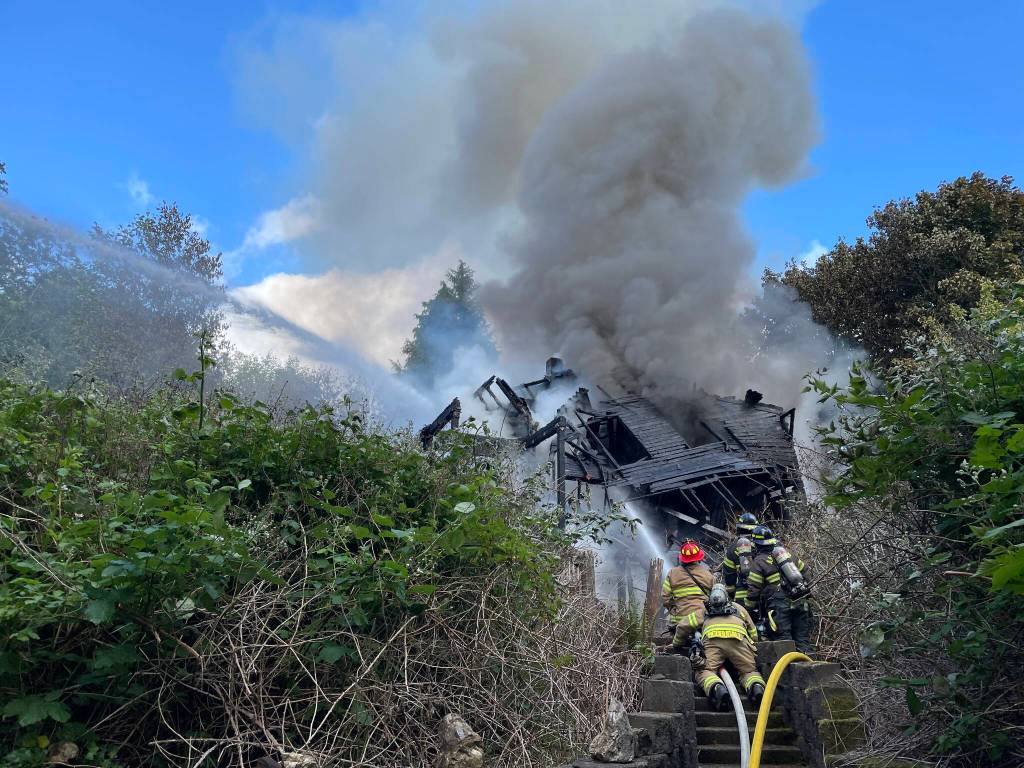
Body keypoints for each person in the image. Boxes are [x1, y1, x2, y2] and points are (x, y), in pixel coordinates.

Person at [677, 584, 766, 710]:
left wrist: (677, 644)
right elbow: (753, 632)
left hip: (713, 643)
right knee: (749, 671)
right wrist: (752, 643)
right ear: (726, 596)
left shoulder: (704, 610)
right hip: (739, 640)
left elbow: (682, 626)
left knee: (704, 671)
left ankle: (717, 687)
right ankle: (756, 688)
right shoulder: (739, 608)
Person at [745, 525, 814, 654]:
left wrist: (748, 608)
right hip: (801, 600)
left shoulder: (759, 562)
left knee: (784, 642)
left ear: (756, 544)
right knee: (803, 641)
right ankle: (812, 667)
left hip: (780, 607)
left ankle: (788, 671)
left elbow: (753, 590)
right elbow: (806, 574)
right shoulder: (789, 555)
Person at [662, 540, 714, 654]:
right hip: (702, 620)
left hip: (680, 623)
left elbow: (665, 598)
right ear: (699, 557)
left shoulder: (672, 573)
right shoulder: (708, 574)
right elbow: (715, 599)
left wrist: (674, 610)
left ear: (682, 558)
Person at [722, 511, 759, 605]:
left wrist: (731, 595)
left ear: (738, 528)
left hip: (743, 596)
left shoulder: (732, 548)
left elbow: (729, 577)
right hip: (765, 593)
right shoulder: (762, 544)